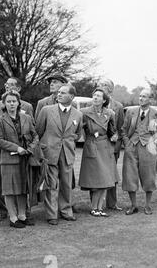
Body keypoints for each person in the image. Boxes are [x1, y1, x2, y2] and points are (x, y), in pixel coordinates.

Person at [0, 77, 34, 222]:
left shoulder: (28, 107)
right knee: (1, 180)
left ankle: (23, 212)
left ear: (19, 89)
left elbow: (32, 129)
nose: (8, 87)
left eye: (12, 85)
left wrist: (27, 146)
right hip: (1, 150)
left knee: (22, 181)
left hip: (22, 152)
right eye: (7, 85)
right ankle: (2, 210)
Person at [36, 84, 83, 225]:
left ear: (71, 97)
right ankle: (52, 215)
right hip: (49, 152)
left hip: (67, 154)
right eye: (59, 92)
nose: (59, 95)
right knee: (52, 184)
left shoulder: (78, 114)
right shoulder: (46, 110)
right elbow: (38, 131)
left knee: (67, 184)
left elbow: (77, 134)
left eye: (63, 93)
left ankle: (66, 211)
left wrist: (68, 143)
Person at [122, 88, 157, 215]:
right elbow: (123, 129)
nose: (141, 98)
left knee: (148, 176)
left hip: (148, 148)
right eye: (140, 96)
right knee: (130, 176)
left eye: (144, 96)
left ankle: (147, 205)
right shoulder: (131, 112)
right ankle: (133, 205)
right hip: (132, 147)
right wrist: (127, 143)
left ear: (150, 99)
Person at [79, 88, 119, 217]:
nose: (95, 97)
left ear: (104, 100)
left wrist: (114, 136)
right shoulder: (84, 112)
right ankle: (94, 208)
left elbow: (114, 130)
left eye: (98, 96)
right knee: (98, 181)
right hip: (92, 146)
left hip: (106, 147)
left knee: (106, 180)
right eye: (94, 95)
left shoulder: (110, 113)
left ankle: (99, 207)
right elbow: (78, 129)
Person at [96, 78, 125, 211]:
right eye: (99, 85)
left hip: (112, 147)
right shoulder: (94, 104)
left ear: (111, 89)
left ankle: (111, 203)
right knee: (96, 174)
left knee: (112, 175)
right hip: (97, 146)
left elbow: (120, 128)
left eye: (105, 85)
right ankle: (95, 204)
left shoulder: (118, 106)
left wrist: (117, 143)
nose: (101, 86)